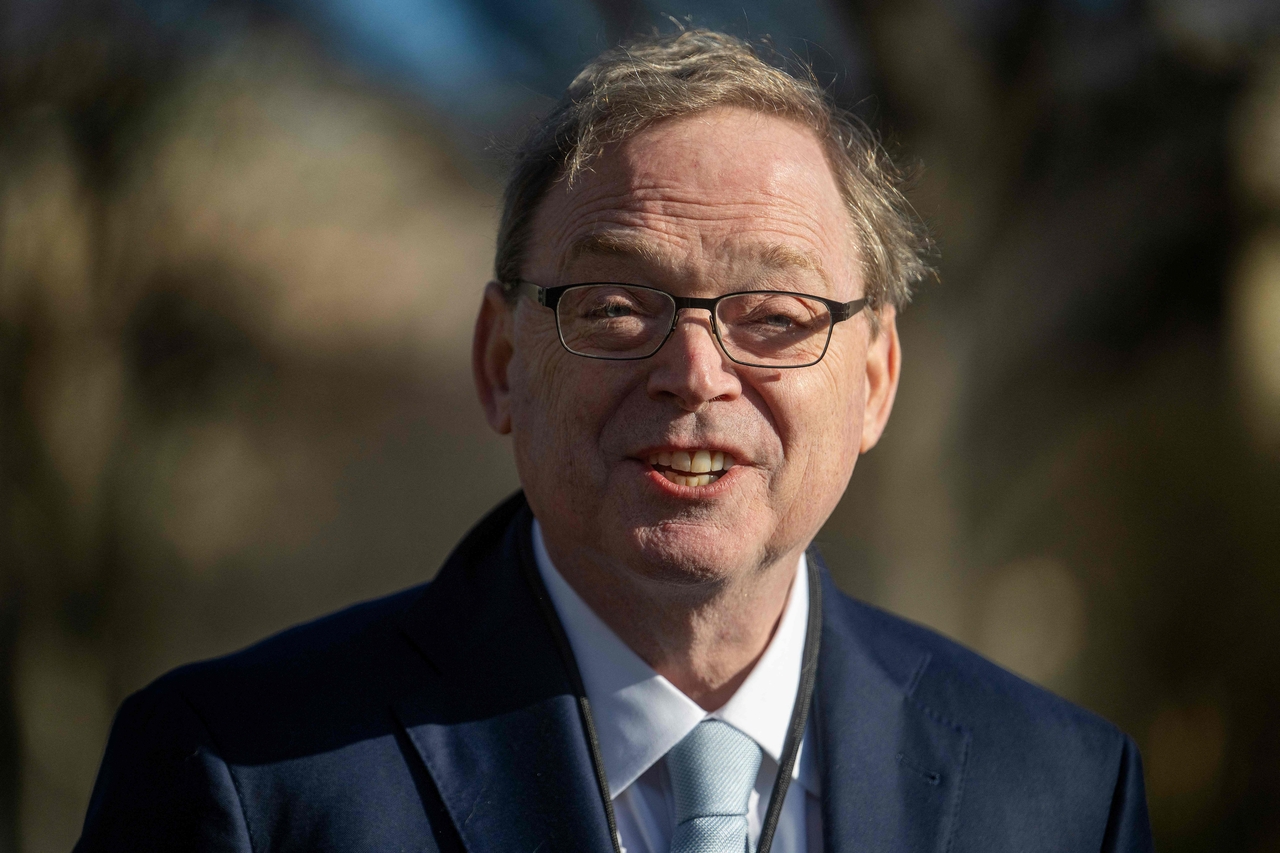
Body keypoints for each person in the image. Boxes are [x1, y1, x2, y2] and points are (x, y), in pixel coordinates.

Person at [75, 29, 1152, 852]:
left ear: (872, 384)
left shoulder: (1063, 792)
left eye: (773, 316)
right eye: (614, 305)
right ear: (502, 362)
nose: (693, 372)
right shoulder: (241, 772)